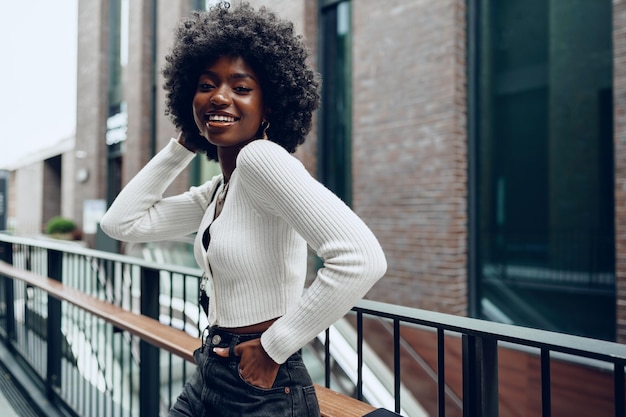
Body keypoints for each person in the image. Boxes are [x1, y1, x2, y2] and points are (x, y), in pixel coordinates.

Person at [100, 2, 387, 416]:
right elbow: (121, 223)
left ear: (269, 105)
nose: (220, 96)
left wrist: (274, 347)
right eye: (205, 85)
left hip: (261, 386)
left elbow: (362, 258)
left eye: (241, 87)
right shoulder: (221, 190)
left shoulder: (261, 161)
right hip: (211, 370)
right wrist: (184, 143)